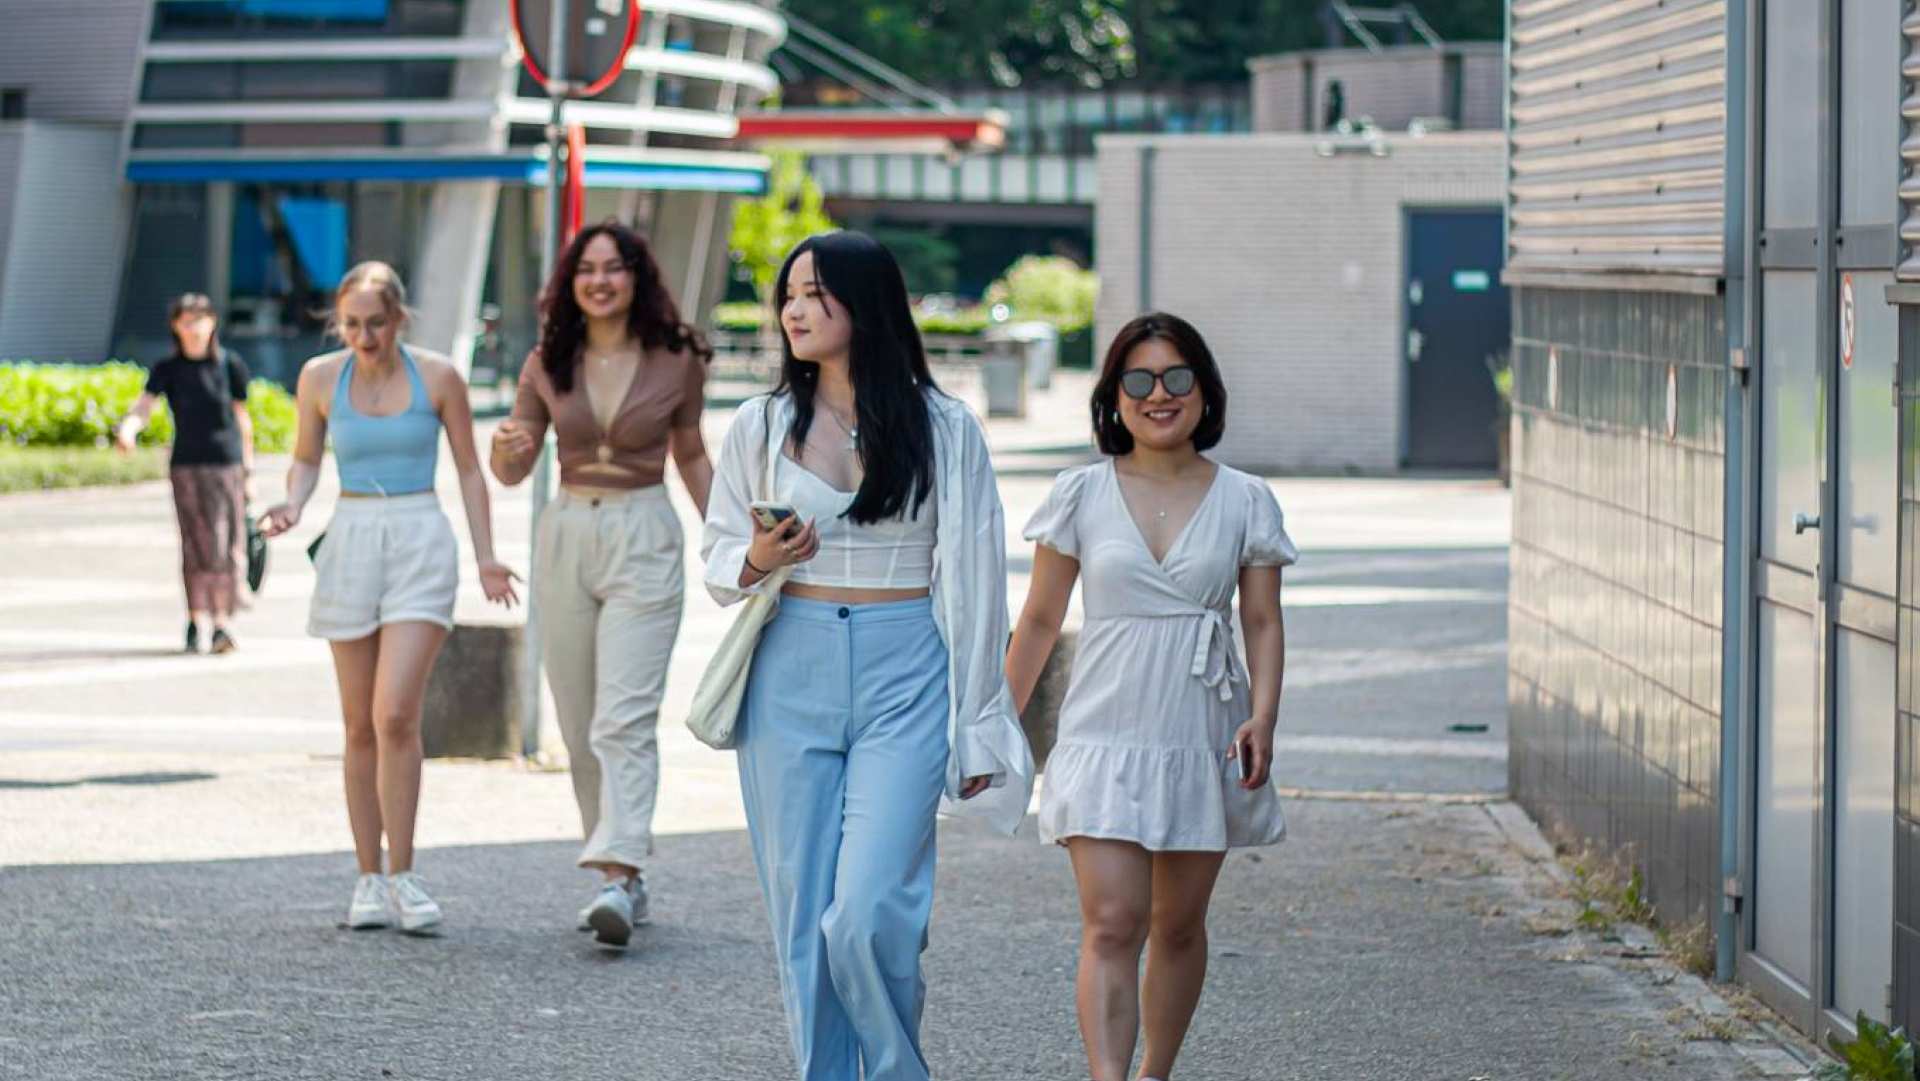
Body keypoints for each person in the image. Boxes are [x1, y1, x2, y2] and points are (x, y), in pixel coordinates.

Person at [701, 231, 1033, 1081]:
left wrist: (979, 718)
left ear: (868, 302)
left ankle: (894, 1069)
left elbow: (977, 578)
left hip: (907, 663)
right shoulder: (759, 423)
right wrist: (762, 559)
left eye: (817, 291)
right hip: (790, 664)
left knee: (870, 908)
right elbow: (716, 565)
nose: (796, 308)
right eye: (789, 293)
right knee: (803, 914)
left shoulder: (945, 426)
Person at [1004, 312, 1297, 1081]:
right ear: (1113, 396)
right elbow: (1038, 619)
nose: (1158, 394)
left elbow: (1262, 621)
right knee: (1112, 921)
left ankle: (1153, 1072)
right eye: (1138, 380)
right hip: (1104, 730)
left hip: (1202, 732)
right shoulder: (1079, 493)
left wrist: (1263, 716)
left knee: (1176, 925)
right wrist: (994, 718)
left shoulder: (1245, 499)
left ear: (1205, 390)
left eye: (1176, 377)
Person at [258, 261, 520, 935]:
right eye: (351, 325)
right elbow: (307, 457)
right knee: (357, 723)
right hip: (349, 534)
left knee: (395, 712)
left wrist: (487, 554)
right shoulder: (320, 378)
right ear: (336, 323)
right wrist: (292, 503)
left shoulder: (438, 376)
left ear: (400, 318)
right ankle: (367, 878)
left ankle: (404, 872)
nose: (365, 337)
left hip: (418, 535)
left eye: (376, 323)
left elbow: (467, 466)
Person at [489, 222, 714, 948]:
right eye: (587, 269)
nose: (601, 281)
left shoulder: (677, 357)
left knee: (624, 714)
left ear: (636, 277)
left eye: (615, 268)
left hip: (645, 530)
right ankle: (621, 872)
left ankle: (618, 872)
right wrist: (506, 448)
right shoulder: (548, 359)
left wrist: (738, 542)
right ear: (570, 283)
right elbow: (513, 467)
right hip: (567, 532)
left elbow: (692, 454)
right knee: (580, 718)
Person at [114, 294, 254, 655]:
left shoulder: (229, 365)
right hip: (186, 465)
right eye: (186, 321)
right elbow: (144, 407)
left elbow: (242, 419)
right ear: (175, 326)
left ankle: (221, 622)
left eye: (200, 320)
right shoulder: (168, 369)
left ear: (213, 323)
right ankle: (196, 618)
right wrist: (129, 430)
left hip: (226, 464)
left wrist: (249, 470)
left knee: (225, 542)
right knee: (194, 544)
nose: (194, 328)